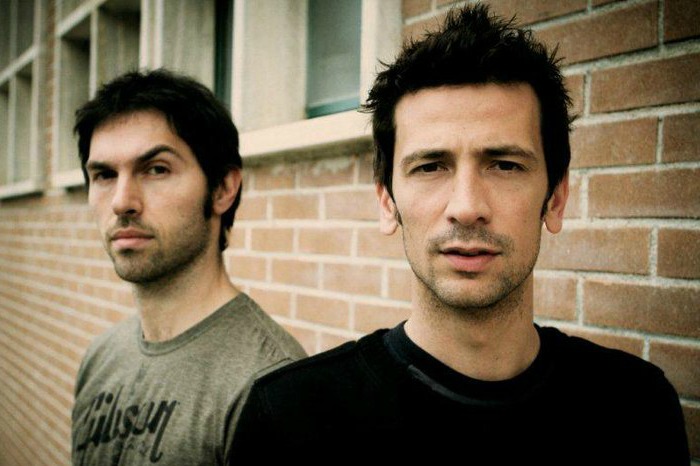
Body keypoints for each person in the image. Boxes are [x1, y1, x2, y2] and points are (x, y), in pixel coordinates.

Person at [228, 5, 689, 465]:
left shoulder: (637, 409)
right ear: (387, 201)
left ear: (556, 198)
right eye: (431, 167)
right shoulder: (287, 420)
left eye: (505, 165)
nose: (466, 207)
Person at [70, 69, 307, 465]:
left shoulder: (270, 384)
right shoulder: (100, 357)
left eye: (156, 169)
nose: (122, 202)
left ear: (223, 188)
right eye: (105, 175)